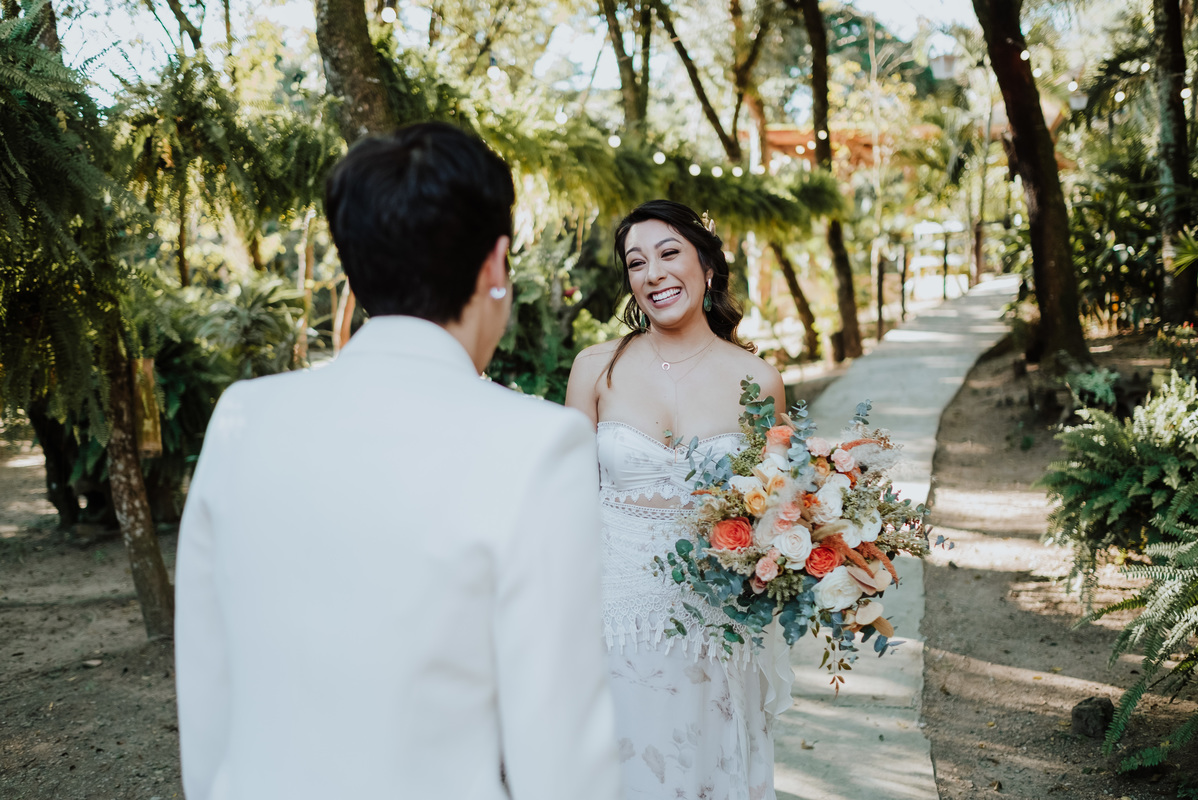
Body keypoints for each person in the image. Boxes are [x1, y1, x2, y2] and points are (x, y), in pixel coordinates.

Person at [175, 122, 621, 800]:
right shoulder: (538, 445)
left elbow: (206, 690)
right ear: (496, 265)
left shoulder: (243, 416)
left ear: (356, 265)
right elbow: (562, 755)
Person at [566, 200, 794, 800]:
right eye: (636, 263)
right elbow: (563, 505)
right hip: (611, 616)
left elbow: (773, 506)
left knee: (704, 771)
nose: (653, 273)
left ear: (707, 267)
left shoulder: (758, 381)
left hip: (714, 621)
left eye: (669, 253)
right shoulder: (596, 369)